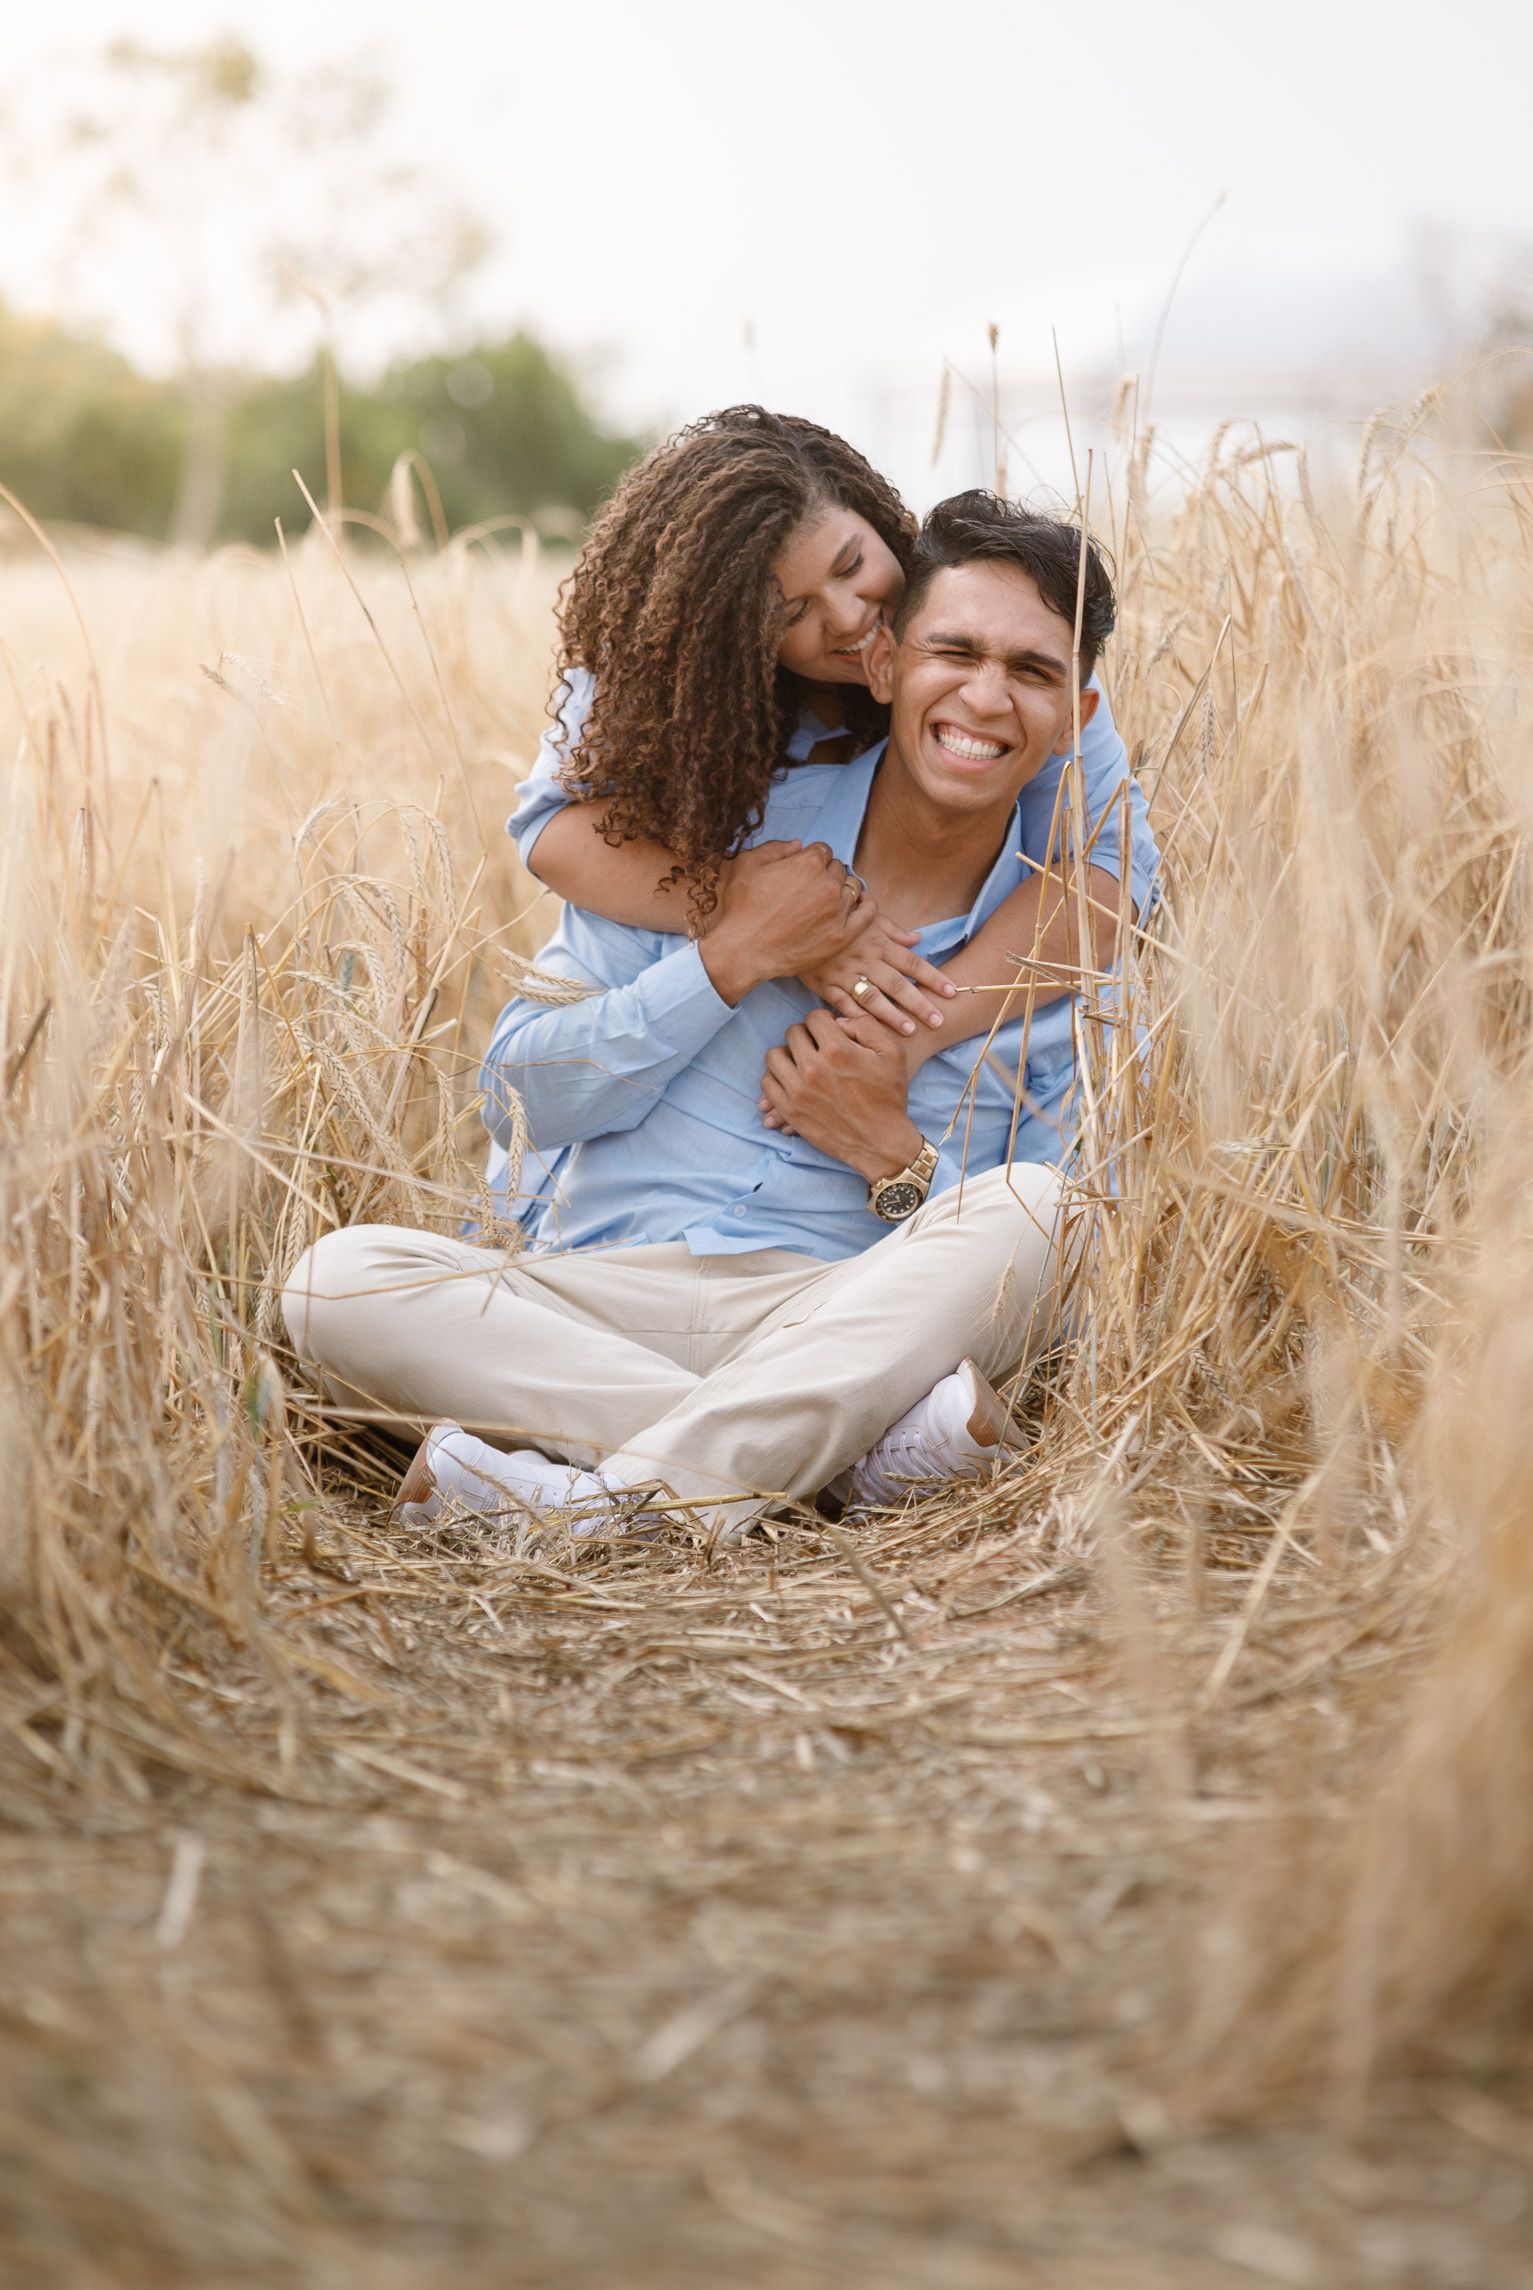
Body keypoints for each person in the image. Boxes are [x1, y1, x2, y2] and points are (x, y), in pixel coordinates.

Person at [283, 492, 1152, 1543]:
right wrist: (725, 960)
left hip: (841, 1309)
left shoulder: (1057, 951)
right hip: (600, 1299)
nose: (985, 695)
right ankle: (824, 1468)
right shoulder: (704, 846)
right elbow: (515, 1095)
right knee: (336, 1284)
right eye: (953, 651)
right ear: (883, 665)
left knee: (1044, 1210)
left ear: (1080, 716)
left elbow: (1054, 1272)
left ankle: (596, 1508)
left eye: (1031, 672)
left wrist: (895, 1158)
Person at [497, 408, 1157, 1158]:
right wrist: (768, 925)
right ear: (729, 634)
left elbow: (1108, 875)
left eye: (851, 567)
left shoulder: (999, 657)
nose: (849, 621)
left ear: (876, 519)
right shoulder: (663, 678)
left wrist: (905, 1029)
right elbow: (556, 836)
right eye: (793, 612)